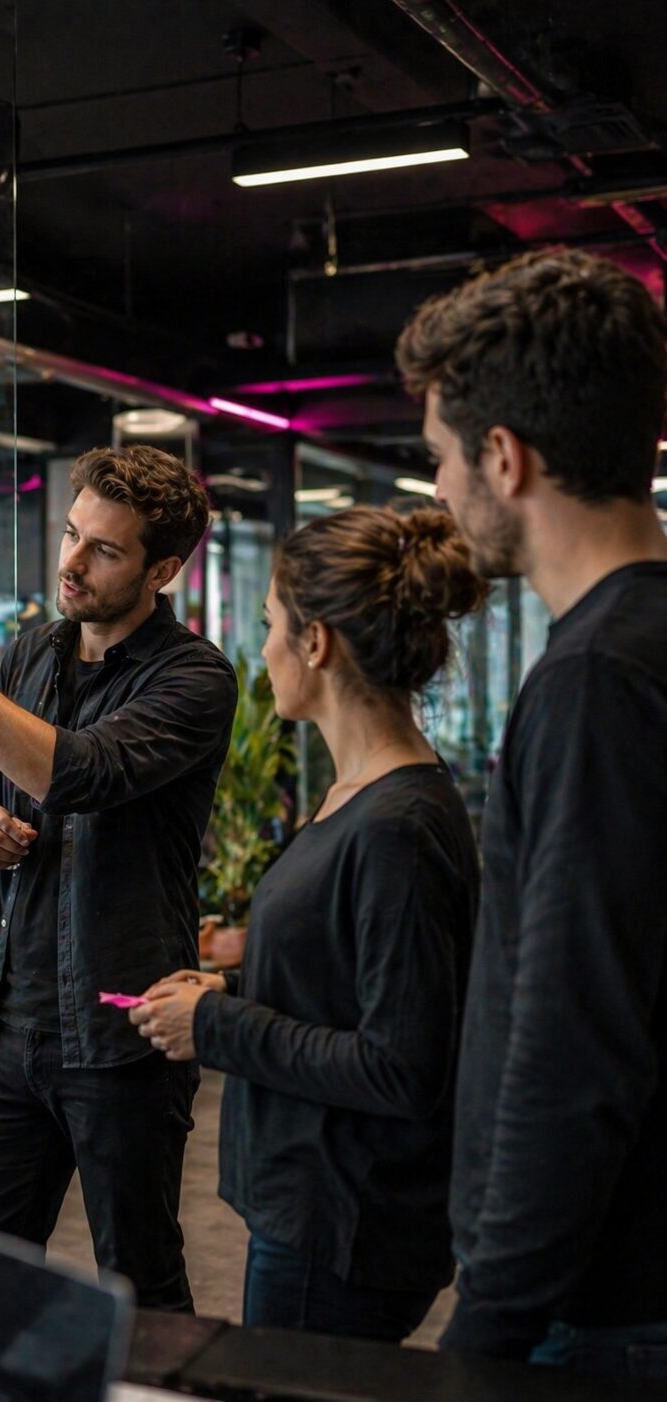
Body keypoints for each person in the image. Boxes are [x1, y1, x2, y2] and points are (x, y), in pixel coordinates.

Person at [0, 444, 237, 1310]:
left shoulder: (194, 679)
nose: (71, 562)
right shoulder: (33, 651)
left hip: (118, 1039)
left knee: (139, 1286)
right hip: (6, 1027)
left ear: (164, 569)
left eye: (104, 550)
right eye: (72, 535)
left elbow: (78, 773)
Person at [394, 248, 667, 1376]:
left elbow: (572, 1044)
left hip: (599, 1311)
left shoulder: (595, 681)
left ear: (504, 458)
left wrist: (486, 1330)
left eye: (441, 462)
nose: (440, 493)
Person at [130, 505, 485, 1342]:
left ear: (316, 642)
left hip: (342, 1223)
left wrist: (217, 1024)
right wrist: (229, 984)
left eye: (271, 627)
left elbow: (402, 1063)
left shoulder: (399, 826)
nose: (264, 652)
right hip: (311, 1202)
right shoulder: (360, 796)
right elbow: (350, 977)